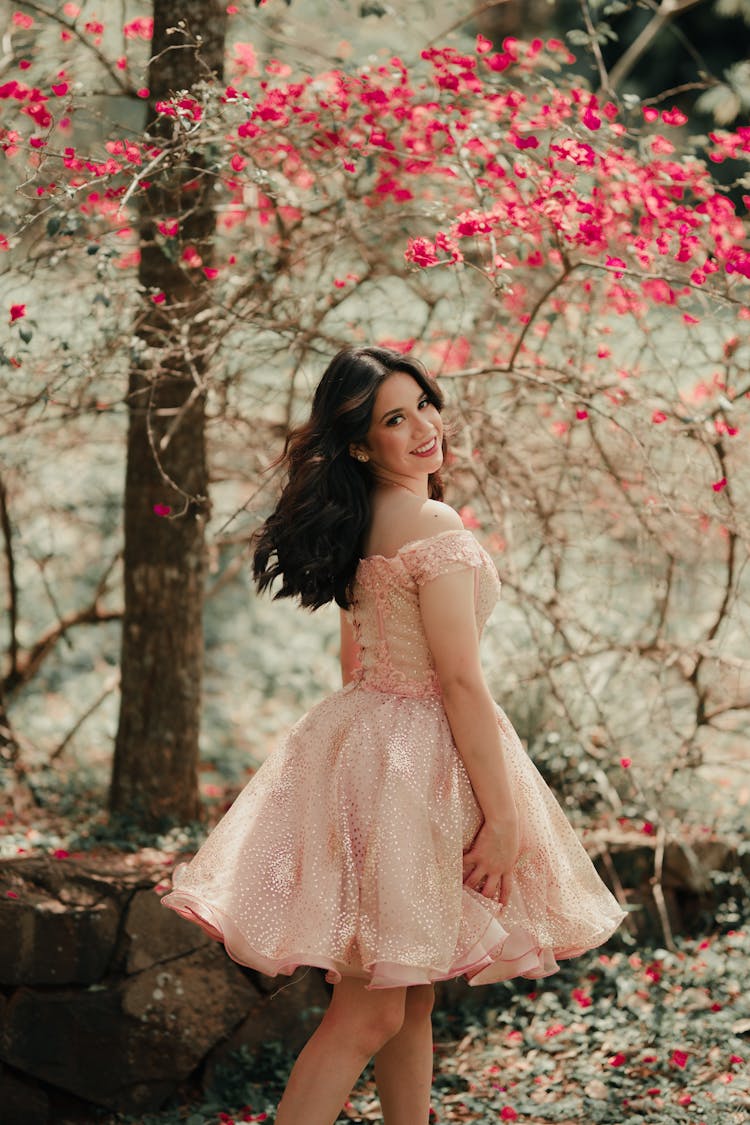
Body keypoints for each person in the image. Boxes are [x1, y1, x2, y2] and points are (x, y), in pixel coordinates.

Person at [161, 345, 626, 1125]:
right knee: (370, 1014)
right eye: (394, 419)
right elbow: (459, 681)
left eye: (424, 405)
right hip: (415, 760)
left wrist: (372, 762)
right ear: (356, 441)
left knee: (407, 1006)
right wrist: (503, 818)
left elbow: (356, 660)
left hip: (365, 744)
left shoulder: (357, 521)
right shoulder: (433, 521)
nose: (422, 429)